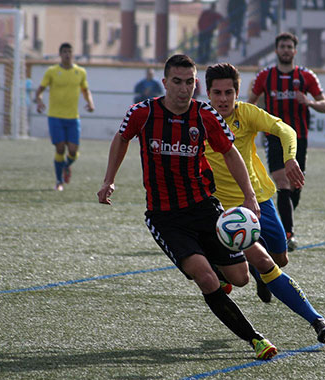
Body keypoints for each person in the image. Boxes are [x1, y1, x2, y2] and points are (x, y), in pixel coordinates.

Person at [98, 54, 278, 360]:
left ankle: (218, 270)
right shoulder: (144, 112)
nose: (184, 89)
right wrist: (108, 180)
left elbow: (231, 153)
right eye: (177, 82)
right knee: (206, 279)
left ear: (196, 84)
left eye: (190, 82)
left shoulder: (205, 116)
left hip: (205, 208)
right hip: (166, 217)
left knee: (240, 278)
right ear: (165, 82)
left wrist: (249, 195)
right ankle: (256, 339)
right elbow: (122, 137)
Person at [203, 62, 325, 343]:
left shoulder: (246, 114)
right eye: (217, 93)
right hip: (221, 210)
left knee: (281, 257)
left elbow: (285, 129)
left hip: (258, 200)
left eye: (229, 92)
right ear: (208, 93)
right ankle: (317, 320)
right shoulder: (198, 120)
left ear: (238, 93)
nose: (223, 99)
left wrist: (290, 157)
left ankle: (256, 271)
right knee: (262, 263)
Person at [248, 31, 325, 251]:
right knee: (282, 184)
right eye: (282, 46)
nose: (285, 50)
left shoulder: (307, 76)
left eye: (289, 47)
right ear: (276, 50)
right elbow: (250, 103)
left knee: (294, 187)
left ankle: (283, 222)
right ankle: (287, 235)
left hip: (298, 138)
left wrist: (309, 102)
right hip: (274, 138)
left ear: (295, 51)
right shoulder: (265, 76)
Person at [35, 42, 95, 191]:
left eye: (69, 52)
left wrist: (90, 103)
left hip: (73, 118)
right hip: (55, 117)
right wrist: (39, 100)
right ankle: (59, 181)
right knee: (60, 149)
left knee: (73, 151)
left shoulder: (80, 72)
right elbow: (40, 89)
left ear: (72, 54)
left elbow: (85, 90)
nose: (67, 54)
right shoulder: (52, 71)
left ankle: (65, 166)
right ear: (60, 54)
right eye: (64, 52)